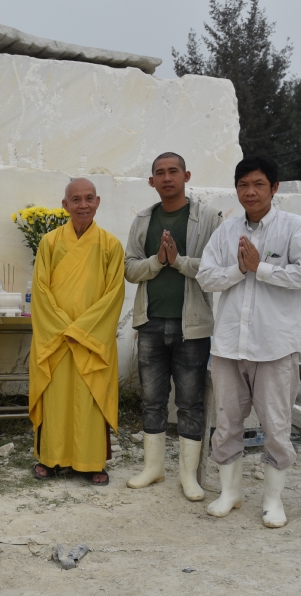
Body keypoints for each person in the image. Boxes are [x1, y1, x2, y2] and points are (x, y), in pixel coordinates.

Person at [197, 154, 301, 528]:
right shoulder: (226, 231)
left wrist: (261, 269)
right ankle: (230, 493)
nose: (250, 192)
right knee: (227, 422)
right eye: (243, 185)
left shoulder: (294, 227)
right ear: (236, 190)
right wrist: (239, 269)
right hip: (229, 344)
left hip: (274, 346)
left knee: (276, 425)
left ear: (274, 188)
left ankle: (272, 500)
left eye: (258, 184)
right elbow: (207, 277)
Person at [123, 152, 222, 501]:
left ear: (186, 175)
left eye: (173, 172)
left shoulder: (207, 218)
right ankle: (153, 468)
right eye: (160, 173)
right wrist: (156, 261)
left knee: (191, 401)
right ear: (152, 181)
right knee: (152, 399)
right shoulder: (143, 219)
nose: (167, 178)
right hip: (150, 322)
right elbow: (129, 269)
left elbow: (215, 268)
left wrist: (178, 261)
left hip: (192, 325)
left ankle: (188, 475)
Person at [29, 178, 125, 485]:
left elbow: (114, 295)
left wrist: (81, 331)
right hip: (56, 339)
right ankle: (50, 458)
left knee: (90, 396)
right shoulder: (50, 243)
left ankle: (91, 460)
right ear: (65, 205)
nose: (82, 205)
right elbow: (40, 291)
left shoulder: (110, 245)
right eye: (76, 199)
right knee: (55, 397)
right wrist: (63, 329)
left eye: (88, 198)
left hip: (90, 339)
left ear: (98, 202)